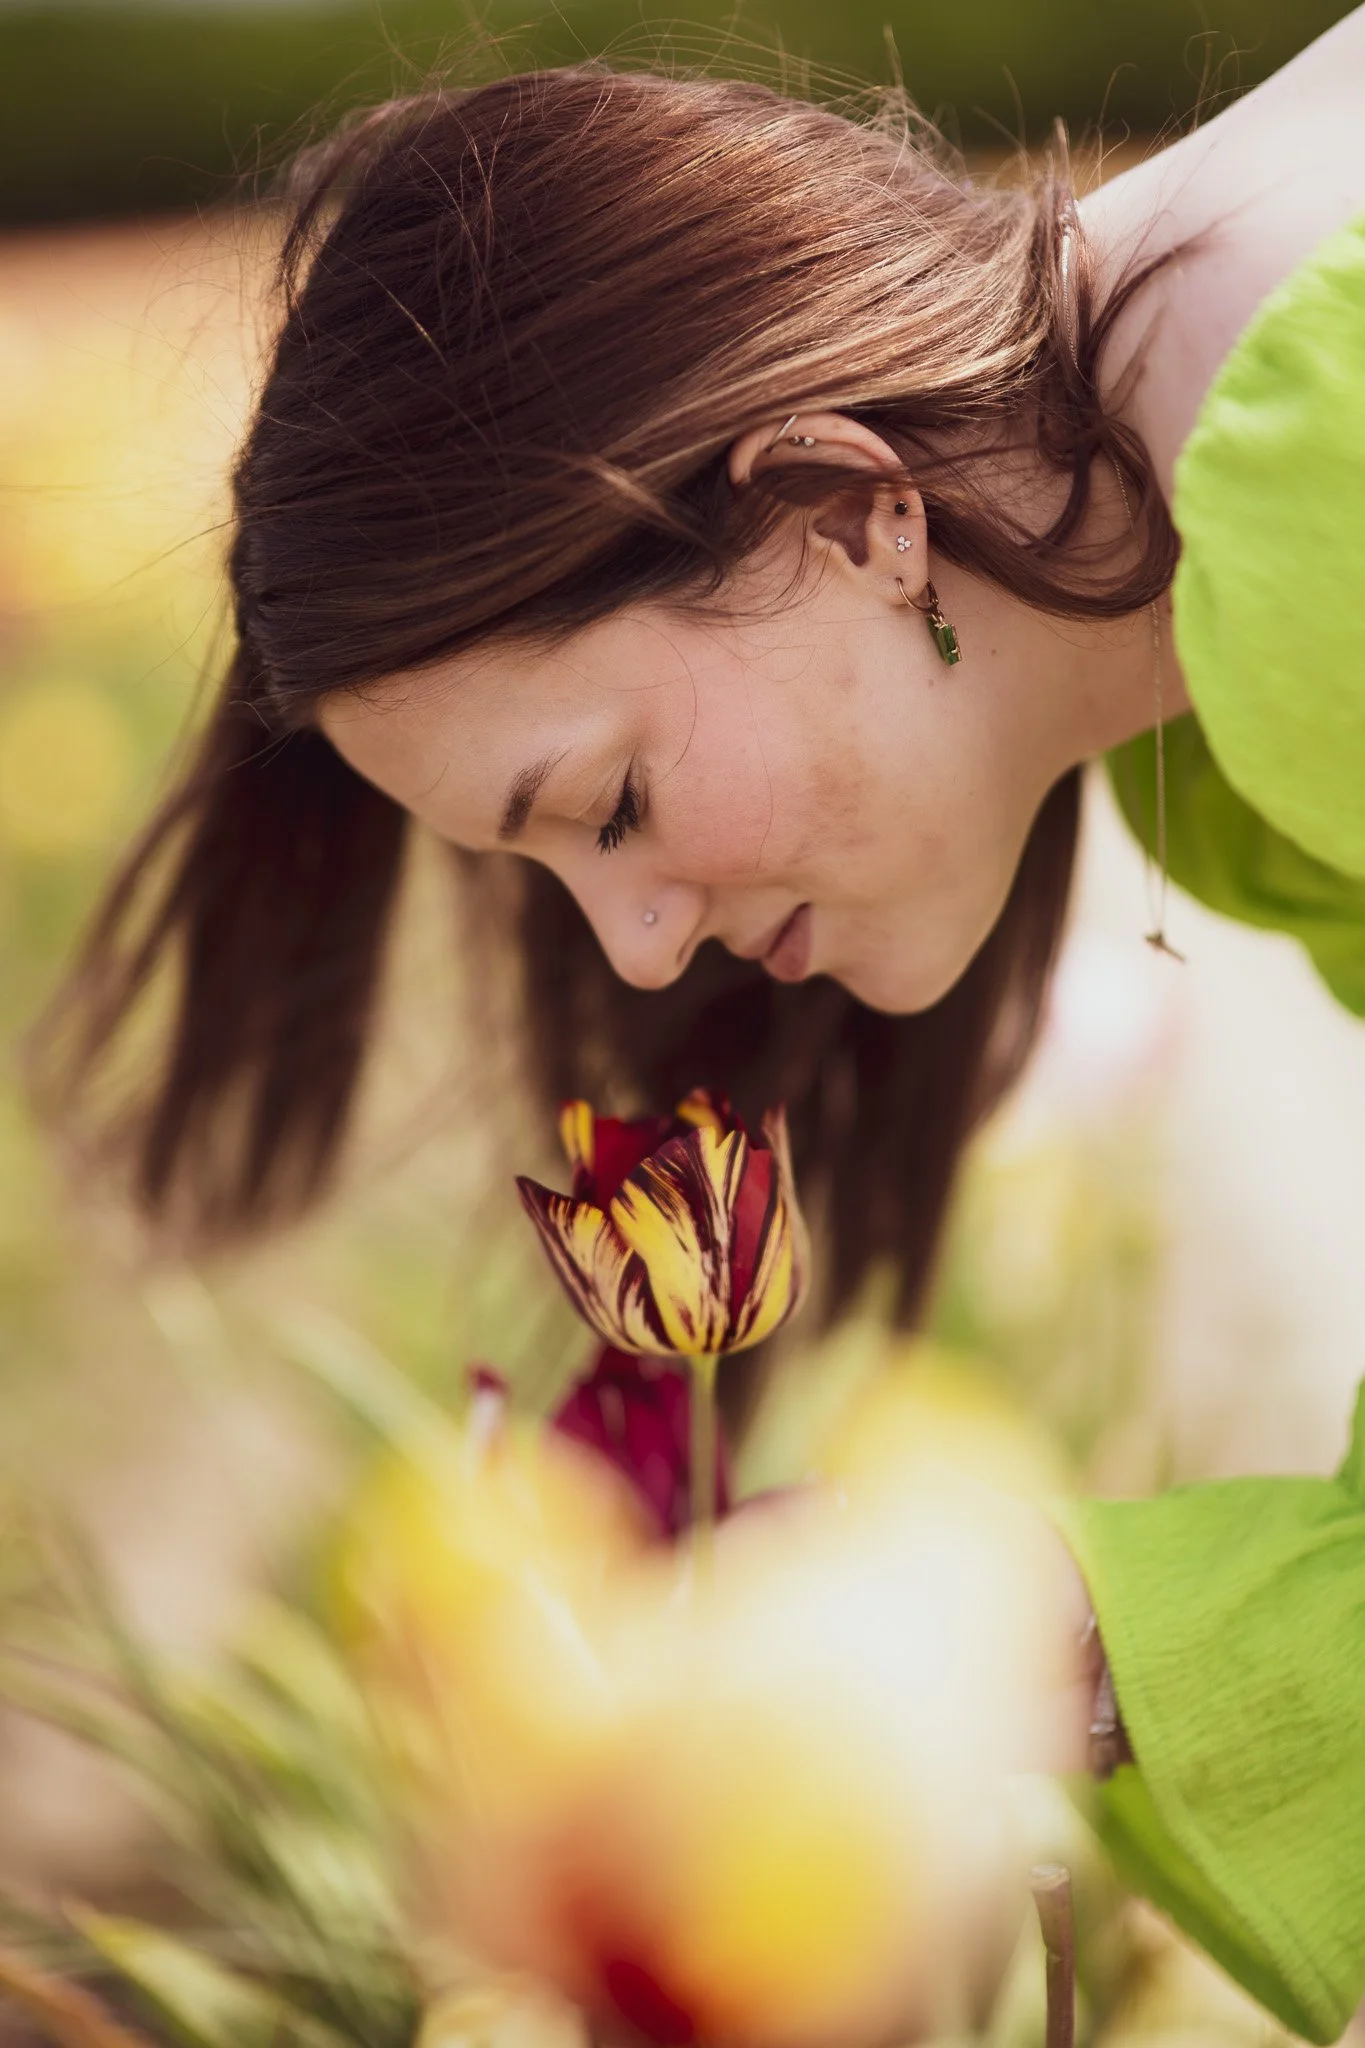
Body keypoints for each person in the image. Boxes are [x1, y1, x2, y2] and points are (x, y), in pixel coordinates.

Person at [40, 6, 1365, 2040]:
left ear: (841, 503)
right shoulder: (1228, 445)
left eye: (610, 807)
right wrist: (1039, 1635)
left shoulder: (1315, 509)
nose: (643, 956)